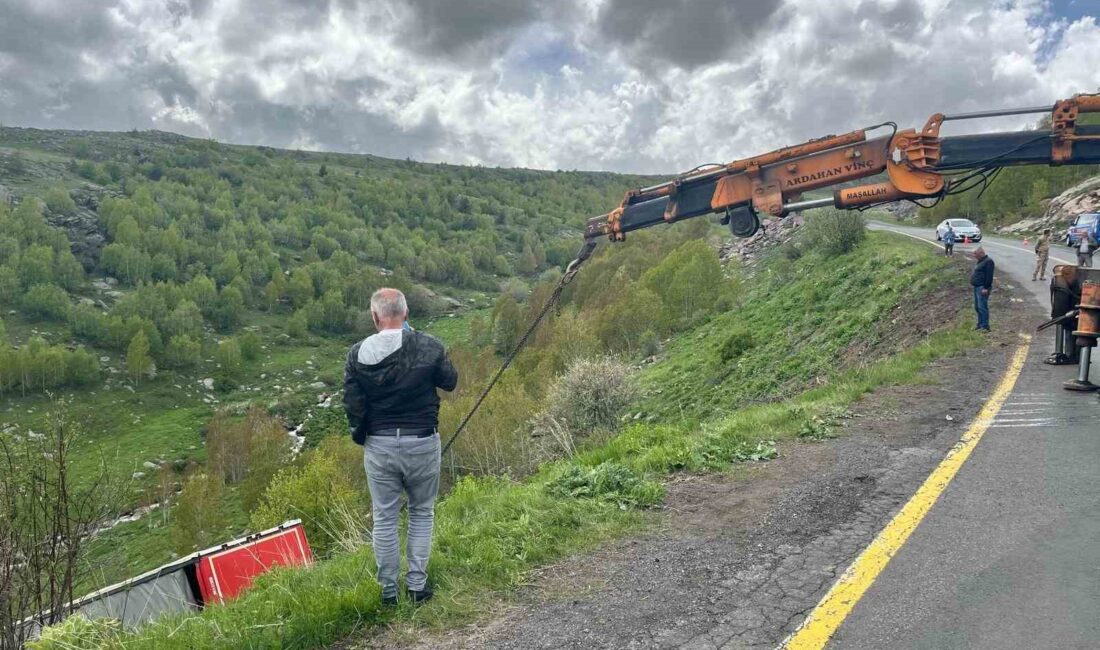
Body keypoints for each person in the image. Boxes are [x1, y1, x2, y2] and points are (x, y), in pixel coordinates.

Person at [343, 288, 458, 606]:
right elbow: (450, 381)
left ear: (375, 317)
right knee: (422, 513)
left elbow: (353, 405)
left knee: (385, 519)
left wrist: (363, 437)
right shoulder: (429, 345)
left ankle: (388, 593)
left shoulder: (356, 354)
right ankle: (418, 588)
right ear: (406, 314)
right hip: (422, 440)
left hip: (379, 445)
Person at [970, 247, 994, 332]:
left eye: (975, 254)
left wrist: (986, 288)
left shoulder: (988, 261)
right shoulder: (980, 261)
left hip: (982, 287)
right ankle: (980, 324)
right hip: (977, 287)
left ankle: (985, 326)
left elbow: (989, 276)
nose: (974, 255)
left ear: (981, 253)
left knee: (982, 307)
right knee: (977, 307)